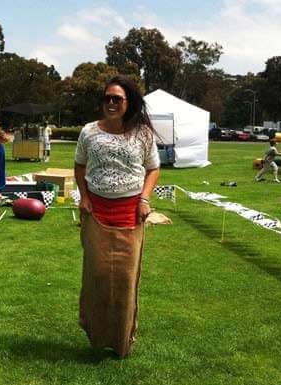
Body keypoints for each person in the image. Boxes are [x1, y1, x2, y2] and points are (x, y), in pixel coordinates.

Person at [74, 75, 161, 357]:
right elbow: (79, 166)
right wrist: (85, 197)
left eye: (117, 99)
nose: (111, 103)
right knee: (97, 276)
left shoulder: (143, 134)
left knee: (125, 280)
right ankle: (97, 336)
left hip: (130, 213)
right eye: (107, 98)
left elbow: (153, 169)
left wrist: (145, 199)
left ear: (128, 102)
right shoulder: (89, 132)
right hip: (97, 211)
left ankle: (122, 341)